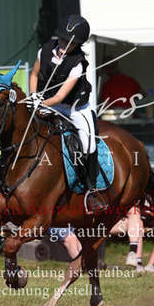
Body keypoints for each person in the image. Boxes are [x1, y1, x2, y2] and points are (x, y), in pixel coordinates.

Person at [28, 15, 101, 212]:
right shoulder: (44, 50)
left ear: (78, 44)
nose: (64, 44)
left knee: (88, 143)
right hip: (46, 100)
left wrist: (40, 103)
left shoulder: (78, 63)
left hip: (74, 107)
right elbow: (34, 75)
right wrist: (33, 96)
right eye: (62, 39)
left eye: (70, 43)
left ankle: (91, 191)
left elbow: (60, 97)